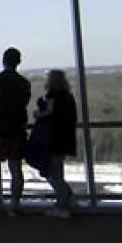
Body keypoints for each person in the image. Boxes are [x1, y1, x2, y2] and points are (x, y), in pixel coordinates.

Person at [0, 47, 32, 216]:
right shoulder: (24, 83)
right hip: (16, 130)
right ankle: (14, 205)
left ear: (3, 61)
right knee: (16, 168)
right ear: (18, 62)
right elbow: (24, 102)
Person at [34, 69, 78, 218]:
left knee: (54, 174)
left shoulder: (52, 95)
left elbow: (49, 113)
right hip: (65, 138)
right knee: (58, 172)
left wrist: (38, 114)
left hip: (53, 138)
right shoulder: (68, 96)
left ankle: (62, 204)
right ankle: (68, 199)